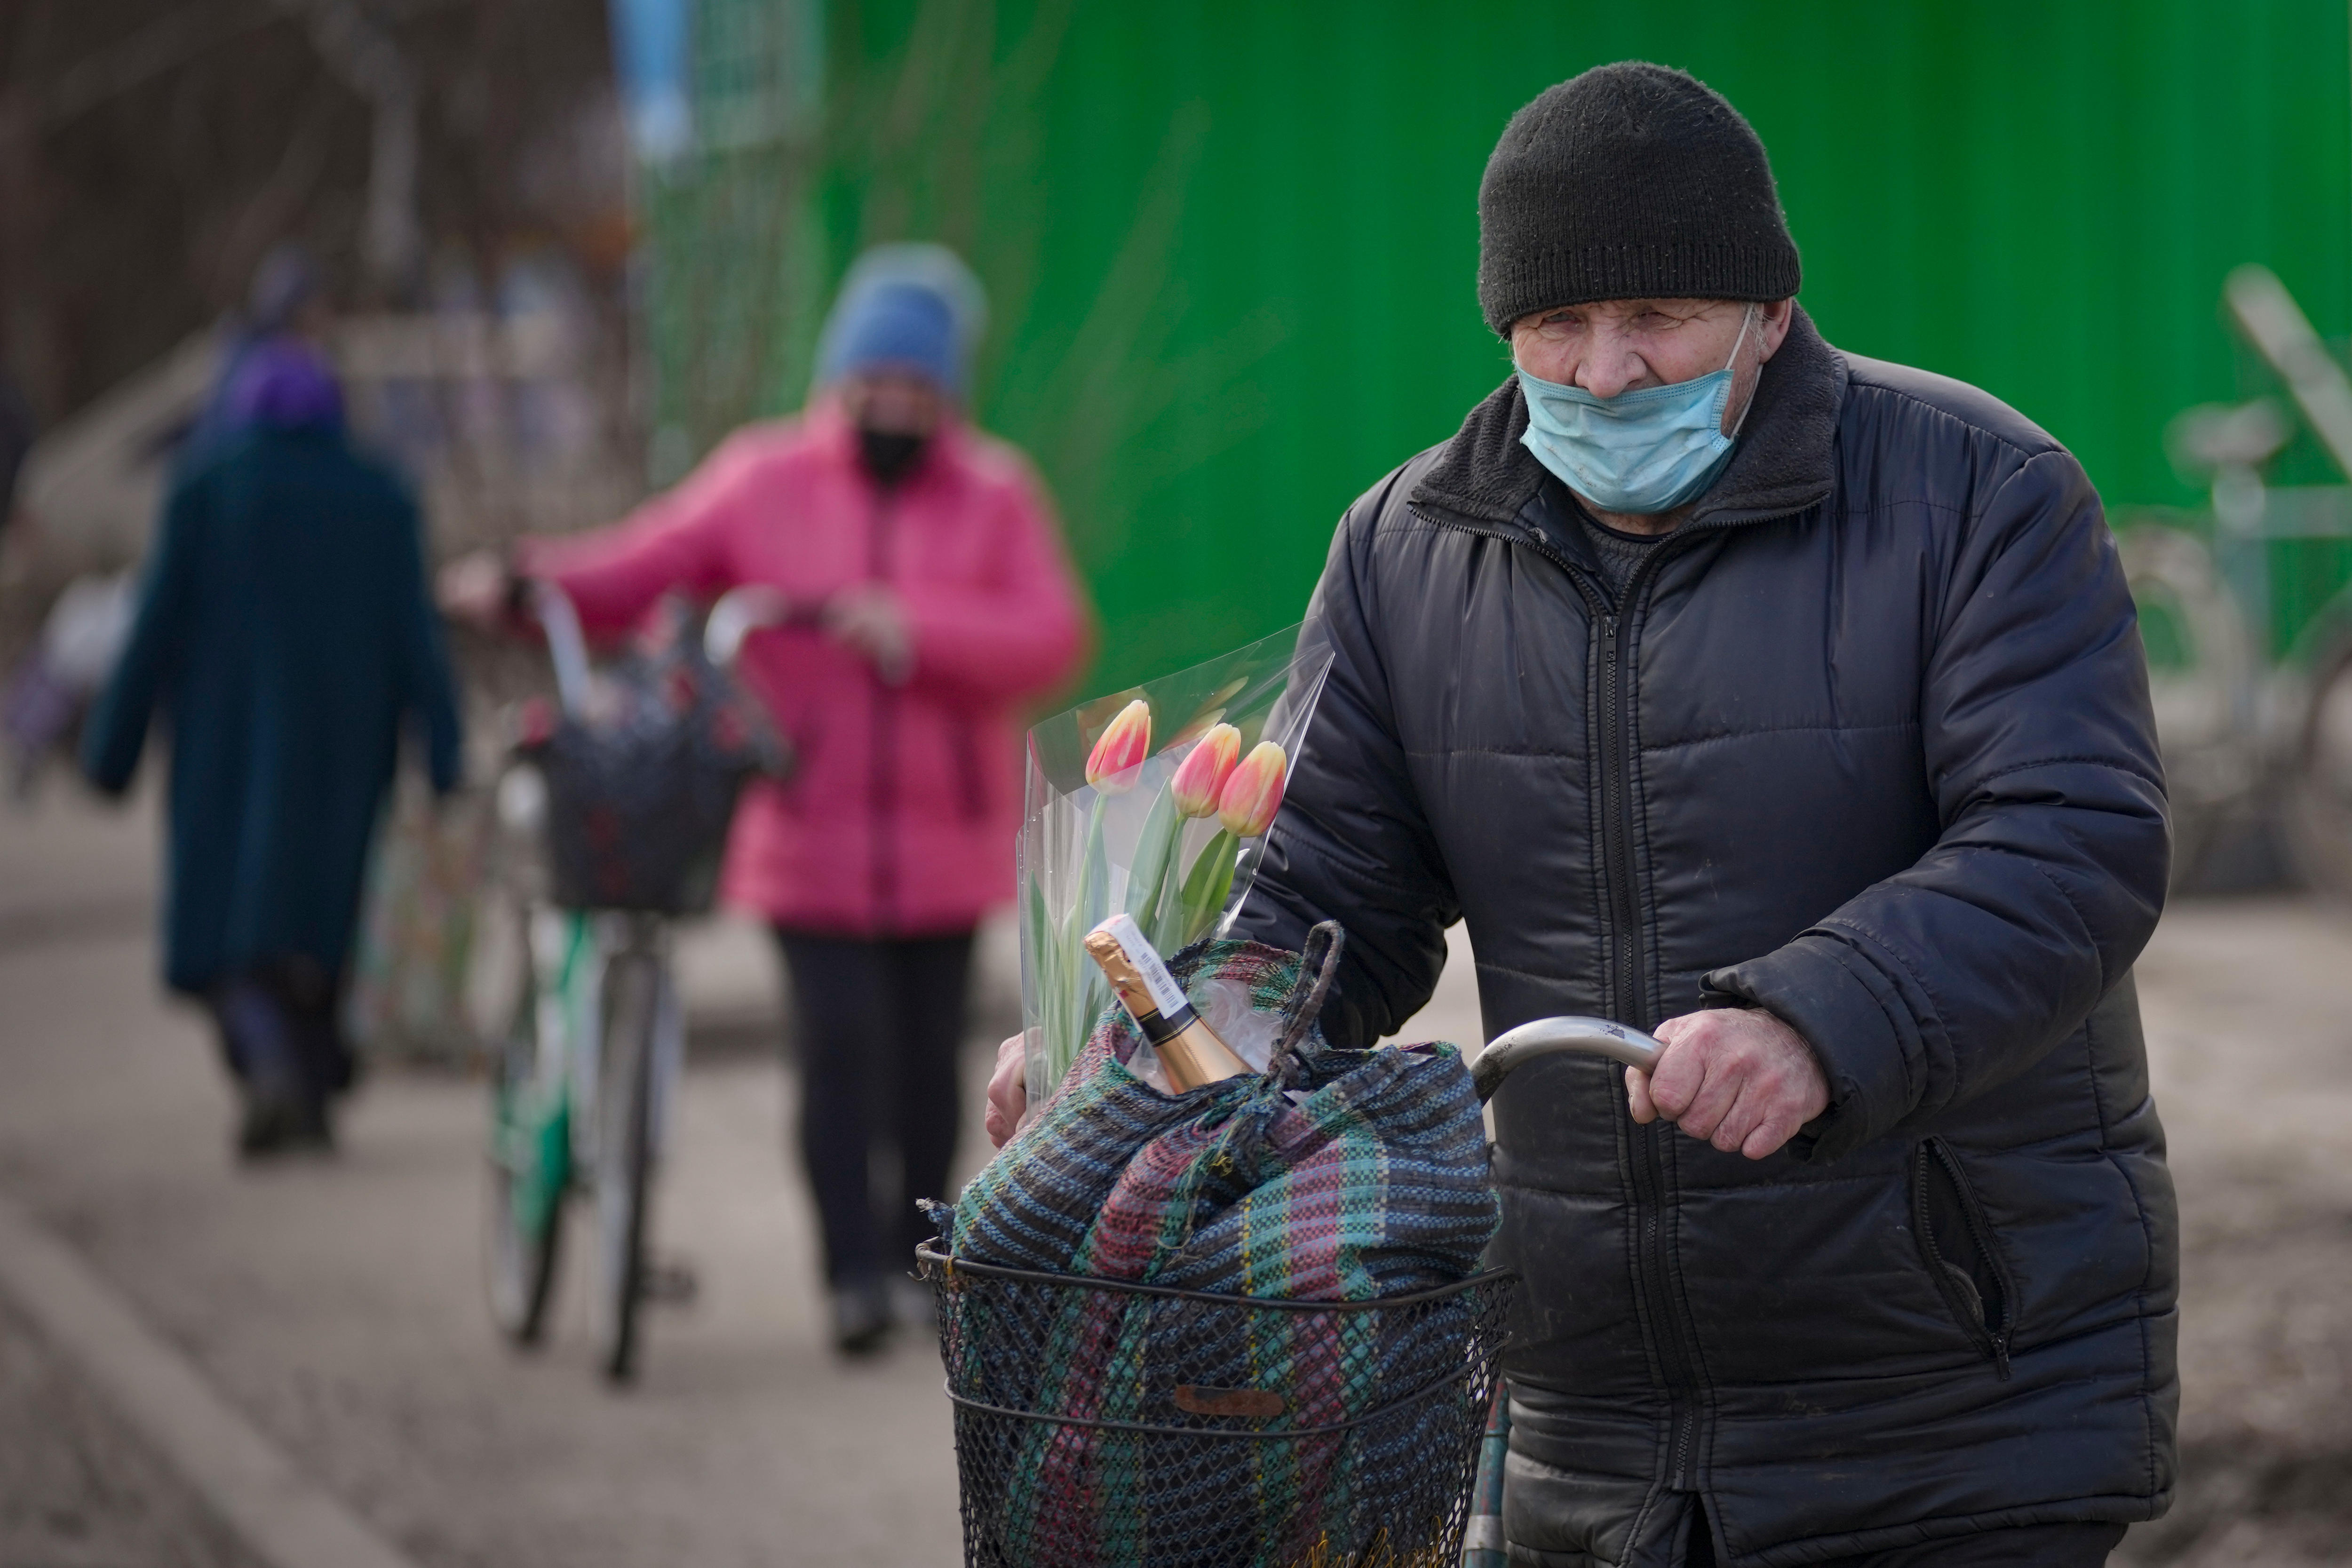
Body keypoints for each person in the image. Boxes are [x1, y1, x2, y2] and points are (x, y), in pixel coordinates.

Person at [991, 64, 2174, 1566]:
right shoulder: (1406, 550)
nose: (1605, 372)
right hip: (1579, 1412)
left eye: (1658, 320)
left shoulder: (1979, 492)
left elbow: (2072, 838)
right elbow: (1319, 902)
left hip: (1953, 1395)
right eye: (1556, 325)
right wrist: (1144, 1051)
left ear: (1770, 311)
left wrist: (1815, 1021)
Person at [442, 245, 1087, 1356]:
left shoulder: (995, 493)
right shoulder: (764, 477)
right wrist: (521, 578)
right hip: (805, 838)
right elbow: (640, 564)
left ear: (946, 395)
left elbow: (1054, 633)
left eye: (914, 389)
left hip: (943, 845)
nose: (891, 404)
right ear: (837, 380)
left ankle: (907, 1259)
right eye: (871, 383)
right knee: (836, 1049)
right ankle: (846, 1274)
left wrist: (914, 627)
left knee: (931, 1065)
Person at [84, 338, 463, 1156]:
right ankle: (307, 1083)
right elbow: (418, 638)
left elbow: (150, 632)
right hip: (348, 749)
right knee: (327, 922)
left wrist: (109, 751)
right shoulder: (381, 495)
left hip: (223, 752)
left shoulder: (205, 489)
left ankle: (274, 1074)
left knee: (234, 930)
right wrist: (445, 749)